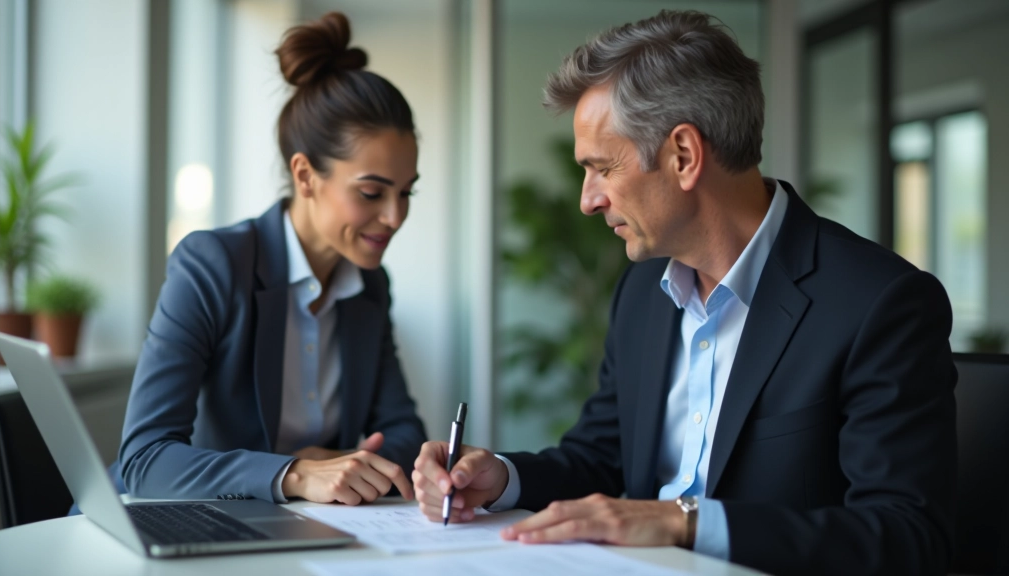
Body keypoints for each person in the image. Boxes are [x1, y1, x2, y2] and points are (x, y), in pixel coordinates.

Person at [413, 10, 956, 575]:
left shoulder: (880, 303)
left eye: (601, 168)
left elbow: (907, 536)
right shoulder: (643, 292)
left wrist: (684, 522)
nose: (588, 199)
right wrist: (501, 478)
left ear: (684, 156)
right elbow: (601, 459)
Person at [118, 12, 426, 506]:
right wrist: (295, 473)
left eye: (407, 192)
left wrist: (342, 462)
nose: (394, 217)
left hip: (306, 527)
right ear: (305, 176)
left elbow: (403, 431)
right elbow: (145, 458)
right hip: (188, 521)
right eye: (372, 192)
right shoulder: (213, 265)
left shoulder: (370, 285)